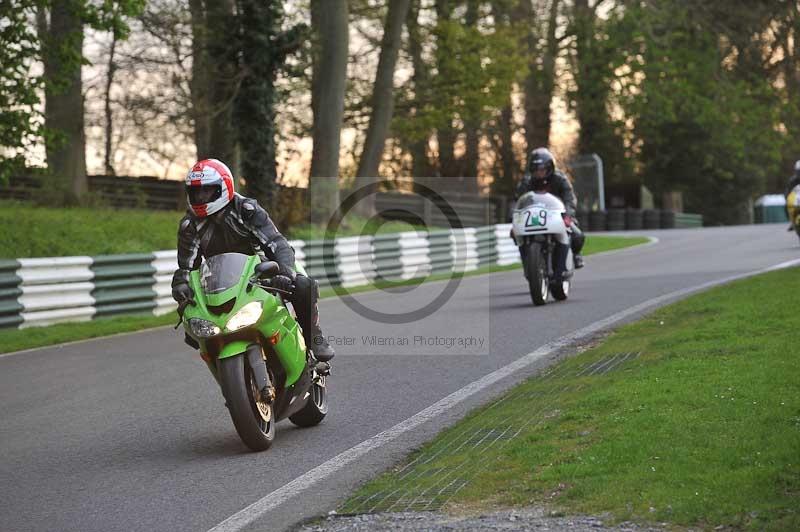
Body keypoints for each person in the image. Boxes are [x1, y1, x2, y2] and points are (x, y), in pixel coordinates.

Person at [170, 159, 335, 362]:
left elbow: (277, 243)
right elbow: (187, 266)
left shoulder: (246, 210)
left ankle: (315, 336)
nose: (201, 197)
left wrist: (285, 271)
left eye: (207, 191)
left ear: (224, 187)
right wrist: (181, 285)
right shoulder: (190, 224)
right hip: (219, 280)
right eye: (195, 192)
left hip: (263, 270)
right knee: (192, 320)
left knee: (302, 285)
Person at [514, 147, 585, 268]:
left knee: (577, 234)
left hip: (557, 214)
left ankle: (576, 254)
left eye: (542, 169)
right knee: (514, 233)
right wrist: (516, 216)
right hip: (534, 216)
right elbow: (520, 200)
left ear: (550, 167)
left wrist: (568, 214)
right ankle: (527, 259)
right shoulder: (526, 182)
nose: (539, 172)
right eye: (536, 169)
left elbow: (570, 198)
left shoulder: (560, 179)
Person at [786, 160, 800, 231]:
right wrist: (787, 198)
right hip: (796, 199)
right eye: (799, 171)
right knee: (787, 205)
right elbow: (788, 192)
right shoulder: (792, 180)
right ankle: (791, 221)